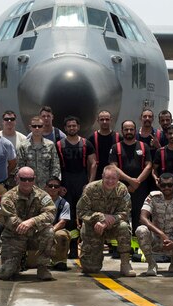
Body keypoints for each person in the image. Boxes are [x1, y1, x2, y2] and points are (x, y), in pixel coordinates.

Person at [0, 167, 56, 281]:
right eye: (23, 179)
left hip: (35, 235)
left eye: (30, 179)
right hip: (14, 236)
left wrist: (32, 221)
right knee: (4, 273)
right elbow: (10, 221)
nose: (27, 182)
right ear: (17, 179)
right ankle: (16, 262)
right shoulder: (8, 197)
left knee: (49, 231)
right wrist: (27, 226)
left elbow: (51, 213)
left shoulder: (43, 195)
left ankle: (43, 267)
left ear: (34, 179)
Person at [76, 165, 135, 276]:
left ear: (118, 179)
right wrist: (100, 217)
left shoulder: (122, 189)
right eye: (107, 178)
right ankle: (93, 257)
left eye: (113, 178)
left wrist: (111, 219)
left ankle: (125, 264)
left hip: (113, 225)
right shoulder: (91, 188)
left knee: (124, 227)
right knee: (91, 269)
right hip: (93, 226)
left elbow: (125, 212)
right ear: (102, 176)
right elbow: (81, 211)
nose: (110, 181)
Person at [136, 173, 173, 276]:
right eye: (163, 185)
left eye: (170, 185)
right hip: (156, 239)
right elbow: (143, 218)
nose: (166, 188)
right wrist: (161, 234)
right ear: (159, 185)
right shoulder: (153, 197)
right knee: (141, 230)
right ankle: (151, 264)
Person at [55, 116, 93, 257]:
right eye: (69, 126)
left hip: (82, 181)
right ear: (65, 128)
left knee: (84, 214)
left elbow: (93, 163)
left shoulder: (86, 144)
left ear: (78, 127)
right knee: (69, 215)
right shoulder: (59, 145)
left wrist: (89, 183)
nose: (72, 128)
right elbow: (56, 165)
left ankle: (87, 246)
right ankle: (72, 247)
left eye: (74, 126)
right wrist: (59, 185)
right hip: (66, 182)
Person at [108, 120, 152, 233]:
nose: (129, 131)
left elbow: (148, 166)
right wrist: (131, 181)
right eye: (126, 129)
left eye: (131, 129)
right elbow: (113, 167)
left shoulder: (143, 146)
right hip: (121, 188)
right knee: (120, 216)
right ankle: (118, 246)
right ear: (122, 131)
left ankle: (137, 245)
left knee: (139, 217)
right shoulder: (115, 147)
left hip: (141, 188)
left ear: (135, 130)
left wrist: (137, 181)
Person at [17, 116, 61, 189]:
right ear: (30, 127)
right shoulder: (23, 146)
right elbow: (20, 167)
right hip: (29, 186)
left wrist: (52, 184)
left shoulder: (50, 145)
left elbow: (55, 166)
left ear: (43, 127)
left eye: (39, 126)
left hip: (46, 186)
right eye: (34, 126)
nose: (37, 128)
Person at [46, 178, 74, 271]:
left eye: (56, 186)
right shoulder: (39, 201)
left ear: (59, 189)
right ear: (46, 187)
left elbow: (62, 222)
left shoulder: (64, 203)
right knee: (32, 264)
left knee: (62, 235)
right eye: (50, 186)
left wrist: (52, 231)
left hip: (55, 229)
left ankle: (60, 261)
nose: (53, 188)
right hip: (40, 229)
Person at [88, 110, 119, 180]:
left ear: (111, 120)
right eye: (102, 119)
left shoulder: (118, 138)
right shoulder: (91, 139)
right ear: (98, 121)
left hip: (114, 175)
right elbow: (89, 162)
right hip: (98, 175)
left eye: (107, 119)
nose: (104, 122)